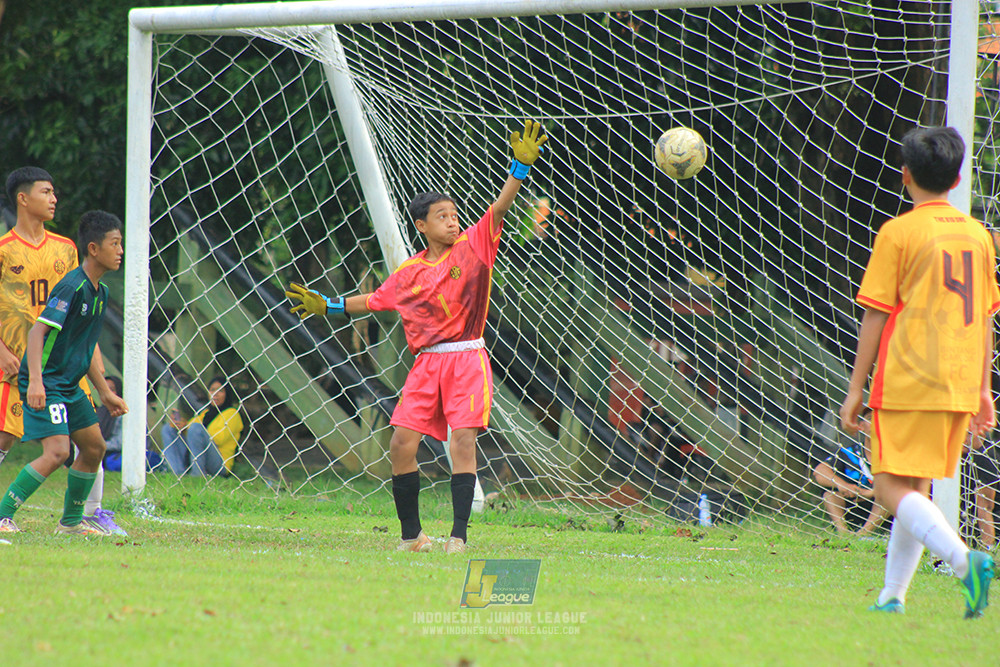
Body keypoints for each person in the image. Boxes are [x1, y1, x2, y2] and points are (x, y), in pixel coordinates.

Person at [286, 120, 547, 554]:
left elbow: (499, 209)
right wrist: (326, 305)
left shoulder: (474, 246)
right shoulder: (409, 273)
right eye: (442, 216)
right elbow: (373, 301)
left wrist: (518, 170)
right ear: (421, 225)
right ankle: (413, 537)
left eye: (454, 214)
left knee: (463, 442)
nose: (452, 221)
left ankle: (458, 537)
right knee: (401, 445)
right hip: (427, 366)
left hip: (466, 359)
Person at [839, 126, 999, 619]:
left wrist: (855, 390)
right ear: (956, 179)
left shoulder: (899, 232)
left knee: (888, 487)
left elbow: (876, 313)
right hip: (958, 377)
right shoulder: (979, 234)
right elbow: (988, 315)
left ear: (905, 175)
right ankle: (893, 596)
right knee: (917, 487)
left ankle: (963, 562)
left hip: (909, 376)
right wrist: (984, 389)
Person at [0, 168, 125, 535]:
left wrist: (104, 389)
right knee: (20, 441)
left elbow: (84, 338)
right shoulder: (7, 251)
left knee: (93, 445)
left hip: (66, 373)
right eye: (47, 191)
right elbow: (41, 330)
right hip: (33, 369)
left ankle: (82, 517)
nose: (55, 198)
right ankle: (3, 513)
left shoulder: (77, 265)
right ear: (23, 198)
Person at [813, 409, 888, 536]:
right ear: (861, 426)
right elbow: (819, 471)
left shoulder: (898, 456)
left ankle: (864, 534)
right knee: (830, 494)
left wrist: (871, 493)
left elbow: (908, 484)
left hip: (886, 513)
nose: (876, 422)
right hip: (855, 508)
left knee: (889, 497)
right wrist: (843, 485)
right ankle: (843, 533)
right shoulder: (851, 453)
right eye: (870, 419)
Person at [160, 375, 243, 477]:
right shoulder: (205, 413)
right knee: (168, 429)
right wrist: (180, 425)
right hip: (196, 454)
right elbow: (190, 429)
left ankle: (197, 474)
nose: (215, 394)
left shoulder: (232, 413)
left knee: (196, 429)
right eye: (212, 390)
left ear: (227, 394)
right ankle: (177, 473)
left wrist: (191, 428)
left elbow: (218, 439)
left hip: (219, 463)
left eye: (220, 391)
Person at [967, 432, 999, 551]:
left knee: (984, 504)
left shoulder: (986, 459)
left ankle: (988, 549)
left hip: (979, 529)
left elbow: (985, 508)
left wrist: (988, 549)